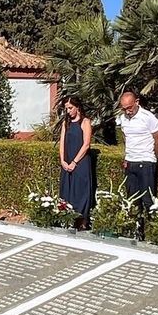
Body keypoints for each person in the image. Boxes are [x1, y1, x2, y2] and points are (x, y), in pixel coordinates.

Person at [116, 89, 158, 215]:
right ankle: (135, 226)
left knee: (148, 201)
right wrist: (126, 158)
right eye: (124, 109)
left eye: (129, 107)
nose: (127, 111)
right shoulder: (123, 118)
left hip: (146, 162)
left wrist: (154, 158)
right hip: (130, 163)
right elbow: (126, 138)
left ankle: (151, 225)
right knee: (132, 201)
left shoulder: (148, 117)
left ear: (137, 102)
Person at [57, 95, 95, 228]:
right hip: (67, 162)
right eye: (66, 109)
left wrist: (74, 162)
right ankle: (66, 219)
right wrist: (63, 160)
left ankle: (82, 221)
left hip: (81, 162)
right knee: (67, 191)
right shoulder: (66, 123)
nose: (68, 111)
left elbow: (86, 144)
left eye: (70, 108)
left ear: (77, 107)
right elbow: (62, 143)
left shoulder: (85, 122)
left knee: (81, 191)